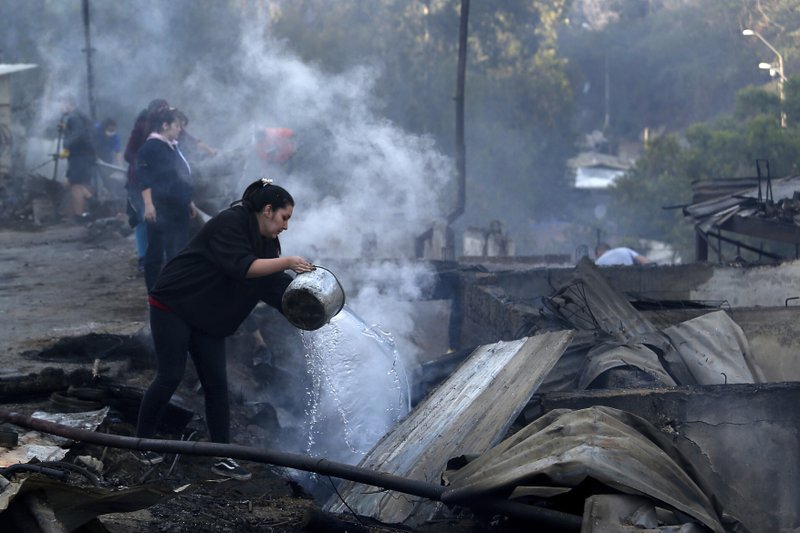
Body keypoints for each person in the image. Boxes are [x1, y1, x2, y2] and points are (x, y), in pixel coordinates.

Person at [134, 178, 314, 480]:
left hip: (208, 315)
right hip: (175, 303)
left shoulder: (268, 242)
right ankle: (140, 442)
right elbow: (242, 267)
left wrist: (304, 303)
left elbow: (270, 284)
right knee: (170, 374)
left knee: (217, 385)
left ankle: (222, 457)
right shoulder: (230, 223)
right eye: (285, 218)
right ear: (268, 210)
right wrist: (288, 262)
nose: (286, 226)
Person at [137, 107, 197, 290]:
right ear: (165, 125)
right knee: (156, 251)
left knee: (178, 250)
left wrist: (189, 201)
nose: (179, 129)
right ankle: (154, 291)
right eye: (177, 126)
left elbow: (180, 175)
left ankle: (176, 289)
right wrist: (148, 205)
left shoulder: (171, 145)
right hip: (162, 207)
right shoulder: (151, 147)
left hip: (178, 206)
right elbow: (144, 178)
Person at [124, 99, 170, 273]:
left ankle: (162, 255)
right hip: (138, 181)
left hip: (159, 182)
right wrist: (144, 164)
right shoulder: (142, 126)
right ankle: (143, 258)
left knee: (160, 217)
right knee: (142, 218)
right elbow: (129, 153)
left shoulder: (166, 126)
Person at [59, 95, 97, 220]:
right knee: (75, 183)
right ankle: (91, 201)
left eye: (62, 104)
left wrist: (66, 146)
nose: (61, 107)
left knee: (75, 185)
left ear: (69, 104)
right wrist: (66, 129)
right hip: (85, 155)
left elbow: (78, 134)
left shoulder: (73, 116)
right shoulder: (79, 115)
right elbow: (81, 132)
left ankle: (79, 215)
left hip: (79, 156)